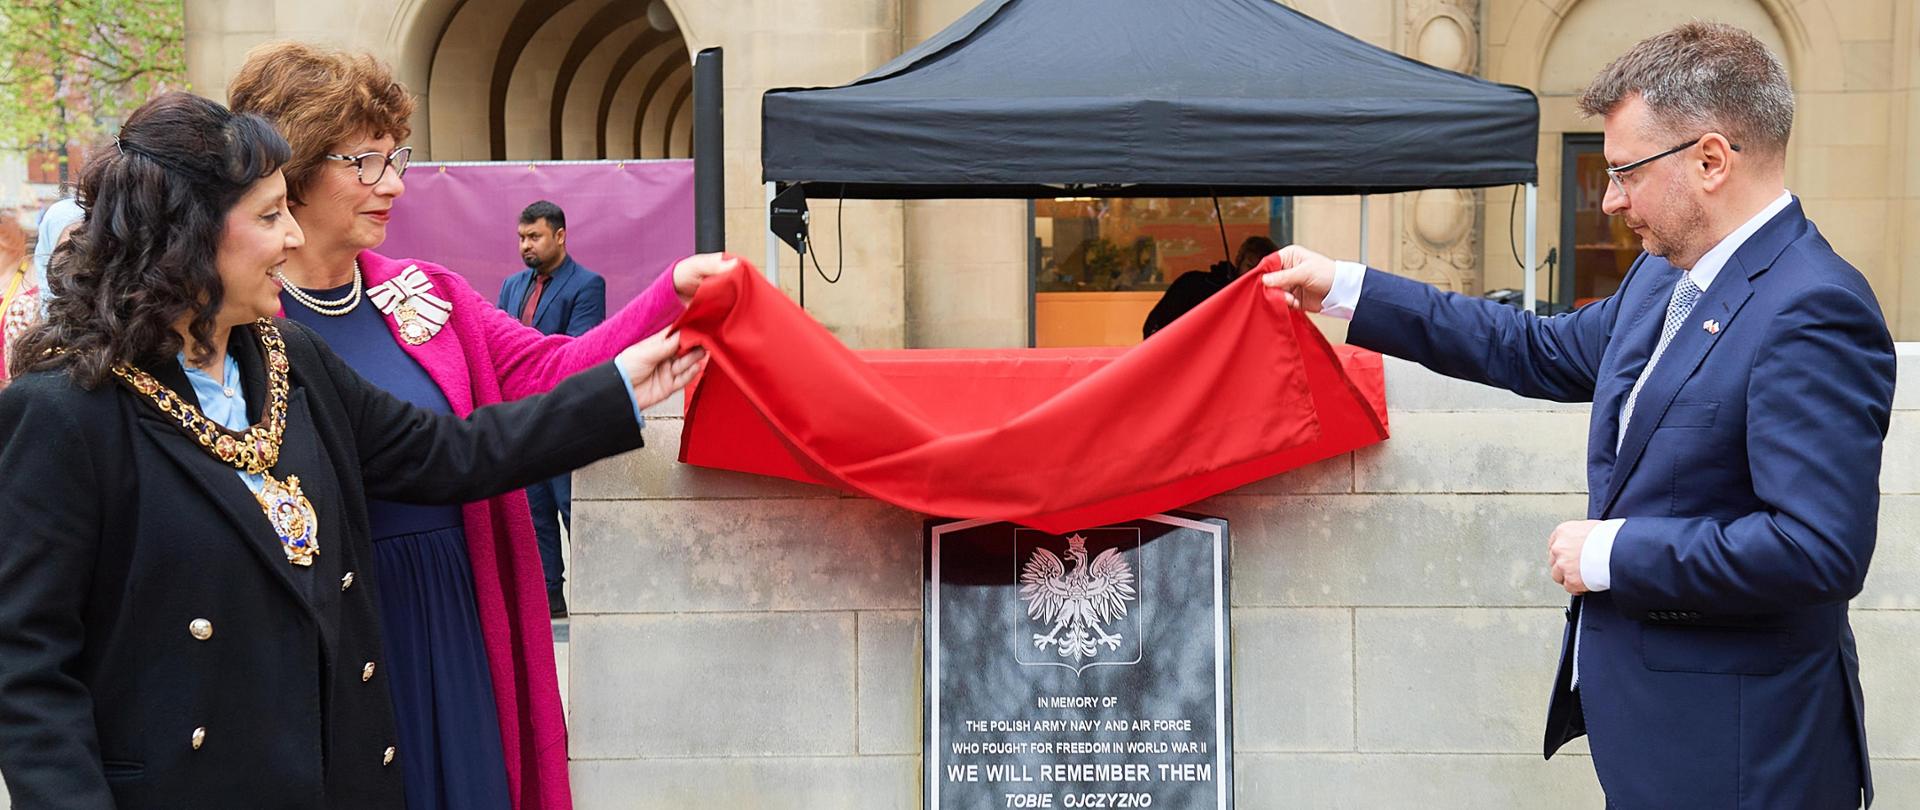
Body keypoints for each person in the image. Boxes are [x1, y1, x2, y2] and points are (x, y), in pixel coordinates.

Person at [0, 91, 702, 810]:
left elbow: (450, 454)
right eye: (269, 216)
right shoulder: (64, 413)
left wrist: (618, 390)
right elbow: (27, 670)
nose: (292, 237)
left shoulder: (291, 356)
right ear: (187, 235)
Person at [1261, 22, 1890, 809]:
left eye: (1625, 171)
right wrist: (1347, 288)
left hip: (1747, 758)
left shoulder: (1814, 308)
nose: (1612, 198)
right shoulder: (1662, 277)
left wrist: (1614, 553)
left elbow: (1817, 550)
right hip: (1657, 740)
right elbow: (1533, 348)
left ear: (1711, 160)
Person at [226, 41, 731, 810]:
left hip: (455, 608)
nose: (393, 183)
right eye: (366, 162)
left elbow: (551, 371)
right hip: (330, 620)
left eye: (396, 158)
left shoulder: (429, 295)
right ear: (292, 169)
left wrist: (673, 291)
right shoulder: (238, 325)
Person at [497, 199, 604, 617]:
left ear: (560, 236)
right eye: (521, 237)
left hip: (562, 418)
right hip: (521, 420)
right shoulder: (511, 286)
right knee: (533, 512)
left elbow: (576, 350)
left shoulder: (587, 284)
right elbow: (497, 343)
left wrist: (522, 362)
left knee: (572, 509)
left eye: (535, 236)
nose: (526, 245)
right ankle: (549, 599)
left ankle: (595, 598)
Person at [1142, 235, 1278, 338]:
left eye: (1262, 270)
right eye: (1250, 266)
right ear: (1239, 260)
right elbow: (1154, 326)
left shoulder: (1271, 305)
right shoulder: (1194, 284)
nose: (1254, 274)